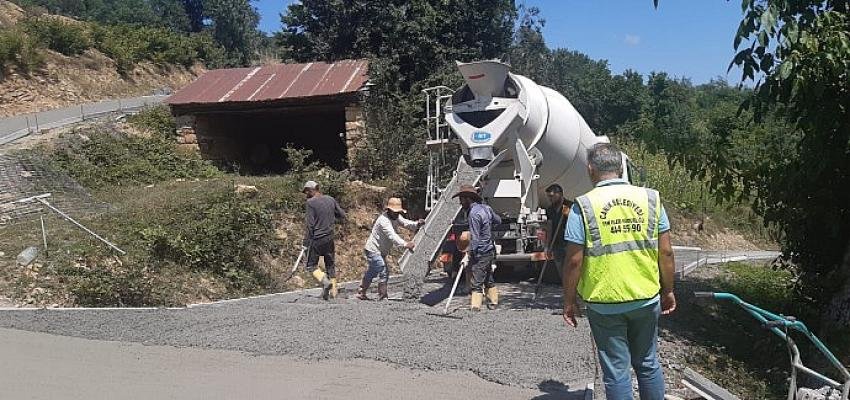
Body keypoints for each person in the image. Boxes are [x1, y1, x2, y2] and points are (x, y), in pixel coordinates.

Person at [562, 143, 676, 400]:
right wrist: (668, 290)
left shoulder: (584, 205)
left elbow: (573, 261)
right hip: (646, 297)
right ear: (622, 167)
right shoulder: (651, 199)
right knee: (648, 363)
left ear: (590, 170)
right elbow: (666, 252)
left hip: (605, 302)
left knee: (616, 372)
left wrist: (568, 301)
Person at [357, 197, 424, 300]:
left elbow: (405, 223)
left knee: (372, 272)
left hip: (380, 251)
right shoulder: (384, 220)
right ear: (389, 210)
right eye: (395, 212)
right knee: (383, 269)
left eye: (398, 212)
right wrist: (405, 244)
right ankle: (383, 295)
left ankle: (361, 292)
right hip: (373, 250)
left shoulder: (396, 217)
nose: (397, 214)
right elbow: (392, 236)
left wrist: (417, 224)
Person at [452, 184, 502, 311]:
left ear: (468, 199)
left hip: (481, 251)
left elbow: (475, 237)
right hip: (490, 249)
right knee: (488, 277)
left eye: (462, 199)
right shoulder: (487, 208)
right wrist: (488, 228)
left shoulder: (473, 214)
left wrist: (467, 255)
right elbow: (498, 221)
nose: (460, 202)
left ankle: (475, 307)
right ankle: (493, 302)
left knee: (477, 280)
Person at [302, 180, 346, 300]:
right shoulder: (330, 199)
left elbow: (310, 225)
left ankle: (325, 282)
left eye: (306, 191)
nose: (306, 194)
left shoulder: (310, 203)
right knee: (330, 265)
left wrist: (306, 241)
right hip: (329, 237)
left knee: (311, 266)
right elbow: (342, 215)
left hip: (317, 239)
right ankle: (334, 293)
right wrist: (330, 219)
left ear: (311, 190)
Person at [544, 184, 573, 280]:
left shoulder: (570, 205)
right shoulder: (550, 209)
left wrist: (569, 214)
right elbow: (549, 227)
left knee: (571, 269)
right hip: (556, 244)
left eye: (552, 196)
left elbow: (577, 224)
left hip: (569, 243)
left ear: (559, 194)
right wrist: (547, 246)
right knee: (561, 271)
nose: (550, 199)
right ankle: (565, 291)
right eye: (548, 196)